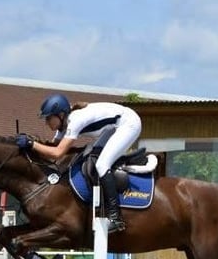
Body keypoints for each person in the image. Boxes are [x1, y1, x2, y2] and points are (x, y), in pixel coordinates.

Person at [16, 93, 141, 232]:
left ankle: (115, 217)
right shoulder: (63, 125)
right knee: (91, 155)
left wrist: (31, 143)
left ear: (61, 115)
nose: (46, 123)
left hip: (129, 124)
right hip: (113, 127)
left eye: (48, 118)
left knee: (101, 164)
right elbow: (52, 148)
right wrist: (31, 144)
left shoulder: (75, 121)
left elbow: (58, 153)